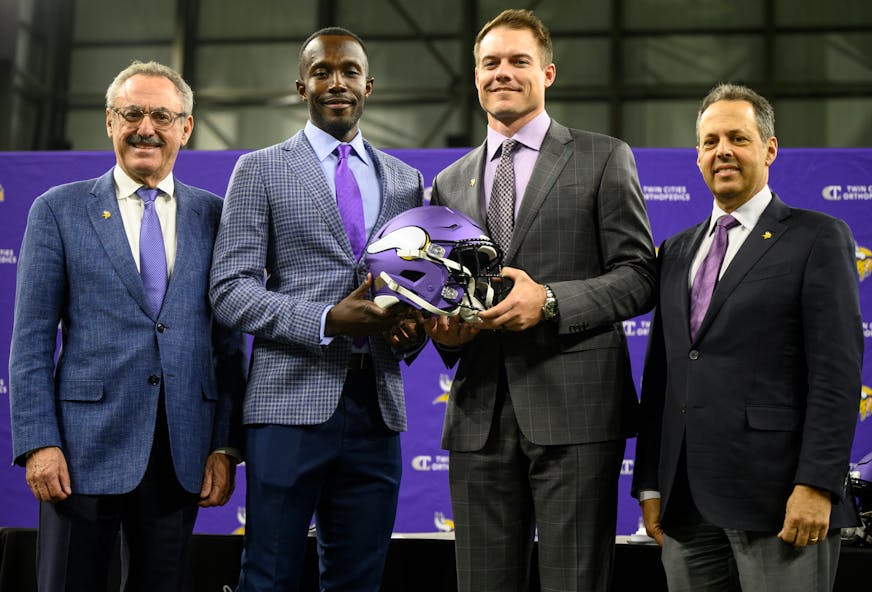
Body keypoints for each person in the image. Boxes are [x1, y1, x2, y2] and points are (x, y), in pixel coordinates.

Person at [424, 9, 657, 592]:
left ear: (547, 73)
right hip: (478, 418)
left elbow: (639, 277)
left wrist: (549, 300)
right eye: (490, 63)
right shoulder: (449, 182)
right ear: (476, 76)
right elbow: (449, 296)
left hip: (577, 414)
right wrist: (449, 333)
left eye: (518, 61)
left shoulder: (603, 157)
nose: (502, 72)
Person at [8, 60, 247, 592]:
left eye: (162, 116)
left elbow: (228, 344)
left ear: (186, 127)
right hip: (80, 454)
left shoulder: (216, 216)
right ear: (110, 122)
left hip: (181, 455)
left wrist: (225, 446)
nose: (146, 128)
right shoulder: (58, 210)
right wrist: (39, 443)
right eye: (132, 113)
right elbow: (30, 343)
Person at [209, 27, 425, 592]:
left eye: (349, 71)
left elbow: (412, 292)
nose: (336, 83)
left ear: (368, 85)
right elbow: (229, 290)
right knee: (269, 577)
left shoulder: (406, 181)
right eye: (322, 72)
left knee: (359, 582)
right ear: (301, 86)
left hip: (377, 407)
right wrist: (327, 320)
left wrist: (411, 332)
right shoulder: (259, 169)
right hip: (287, 406)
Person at [632, 83, 863, 591]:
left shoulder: (818, 238)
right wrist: (649, 483)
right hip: (684, 504)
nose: (723, 152)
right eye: (710, 142)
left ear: (769, 148)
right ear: (697, 156)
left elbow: (837, 376)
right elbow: (662, 376)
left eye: (738, 138)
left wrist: (817, 484)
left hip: (779, 502)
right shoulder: (675, 251)